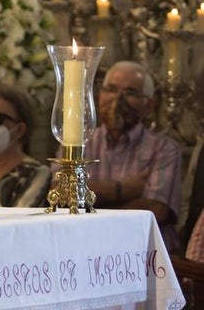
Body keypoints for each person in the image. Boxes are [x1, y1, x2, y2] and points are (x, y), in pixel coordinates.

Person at [78, 61, 183, 253]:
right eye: (111, 89)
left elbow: (155, 210)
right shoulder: (80, 143)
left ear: (149, 105)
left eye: (130, 92)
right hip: (87, 246)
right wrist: (124, 189)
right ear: (99, 96)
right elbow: (62, 193)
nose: (118, 99)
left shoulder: (164, 149)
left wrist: (90, 206)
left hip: (143, 251)